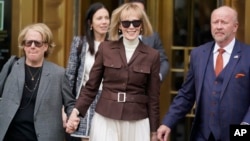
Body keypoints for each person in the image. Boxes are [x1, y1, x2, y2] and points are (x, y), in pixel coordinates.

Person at [66, 3, 161, 141]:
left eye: (136, 23)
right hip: (106, 117)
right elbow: (91, 87)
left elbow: (153, 98)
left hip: (137, 120)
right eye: (126, 23)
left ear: (142, 25)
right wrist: (76, 112)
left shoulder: (152, 55)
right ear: (119, 26)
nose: (131, 27)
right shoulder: (106, 49)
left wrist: (154, 131)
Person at [157, 6, 250, 141]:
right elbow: (186, 95)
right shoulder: (198, 54)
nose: (218, 26)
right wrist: (167, 122)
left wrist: (244, 129)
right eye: (215, 22)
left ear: (235, 27)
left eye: (223, 22)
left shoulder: (248, 55)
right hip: (202, 135)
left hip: (236, 134)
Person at [0, 23, 76, 141]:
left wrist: (73, 118)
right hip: (11, 136)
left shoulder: (58, 74)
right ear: (24, 46)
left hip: (45, 136)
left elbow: (70, 104)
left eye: (37, 43)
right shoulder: (11, 67)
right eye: (28, 43)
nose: (33, 46)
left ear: (46, 46)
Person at [65, 2, 110, 141]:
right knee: (87, 137)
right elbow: (70, 76)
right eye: (99, 18)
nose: (104, 22)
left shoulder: (116, 45)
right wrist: (67, 106)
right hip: (86, 99)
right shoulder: (80, 43)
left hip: (109, 100)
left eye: (106, 18)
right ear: (90, 23)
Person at [128, 0, 169, 82]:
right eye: (134, 11)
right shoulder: (118, 37)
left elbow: (163, 61)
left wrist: (157, 78)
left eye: (141, 12)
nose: (137, 16)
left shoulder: (153, 37)